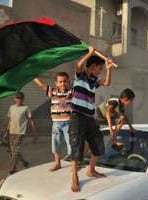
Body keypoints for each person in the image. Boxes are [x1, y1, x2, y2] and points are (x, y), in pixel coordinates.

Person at [70, 46, 114, 192]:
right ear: (93, 67)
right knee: (77, 144)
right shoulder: (80, 76)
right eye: (100, 68)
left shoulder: (94, 80)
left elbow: (107, 83)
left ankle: (91, 170)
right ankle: (74, 176)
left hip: (89, 117)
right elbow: (78, 65)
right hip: (77, 115)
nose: (100, 71)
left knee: (98, 143)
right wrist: (89, 53)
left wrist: (109, 68)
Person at [34, 72, 72, 172]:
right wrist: (33, 76)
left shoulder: (71, 92)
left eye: (65, 81)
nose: (63, 84)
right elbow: (41, 85)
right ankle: (57, 163)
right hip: (56, 124)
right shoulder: (53, 92)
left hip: (68, 123)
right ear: (56, 83)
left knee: (71, 144)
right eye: (60, 82)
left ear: (68, 82)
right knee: (56, 143)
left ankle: (74, 164)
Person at [7, 92, 35, 174]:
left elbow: (31, 120)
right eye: (17, 98)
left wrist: (34, 133)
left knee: (15, 151)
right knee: (12, 151)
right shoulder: (11, 108)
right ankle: (23, 162)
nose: (18, 100)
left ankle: (13, 168)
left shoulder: (26, 108)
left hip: (20, 132)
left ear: (23, 99)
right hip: (12, 131)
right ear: (14, 99)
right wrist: (6, 131)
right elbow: (10, 120)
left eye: (20, 98)